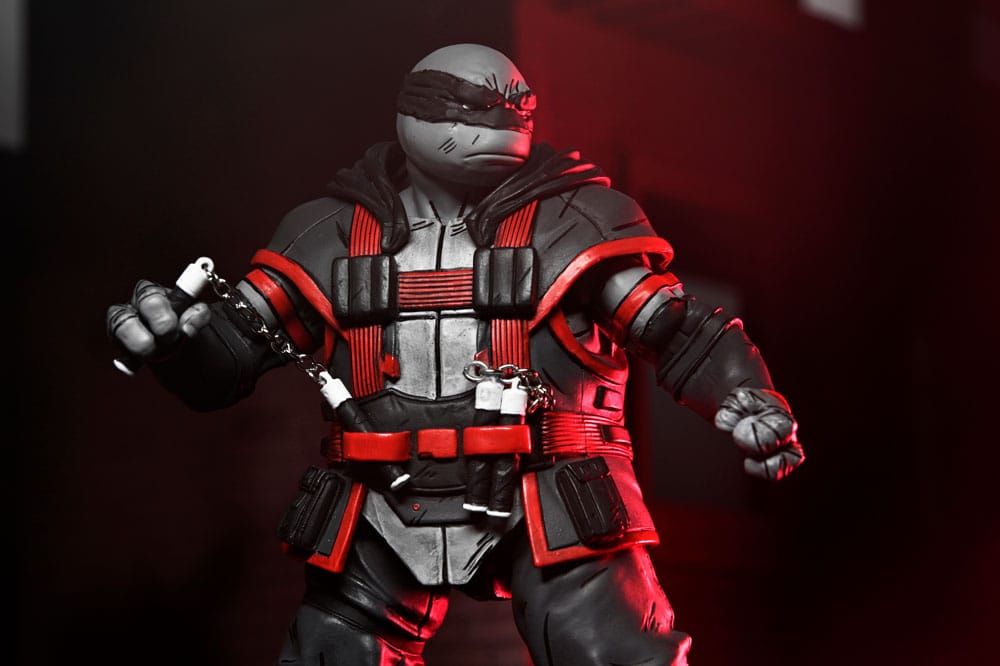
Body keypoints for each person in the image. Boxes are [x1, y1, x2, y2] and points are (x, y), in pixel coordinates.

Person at [107, 42, 804, 666]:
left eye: (514, 106)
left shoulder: (580, 223)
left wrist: (746, 396)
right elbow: (224, 361)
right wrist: (169, 343)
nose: (498, 118)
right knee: (337, 653)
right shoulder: (326, 235)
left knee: (606, 653)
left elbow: (679, 333)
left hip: (550, 489)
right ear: (411, 115)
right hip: (380, 498)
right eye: (472, 105)